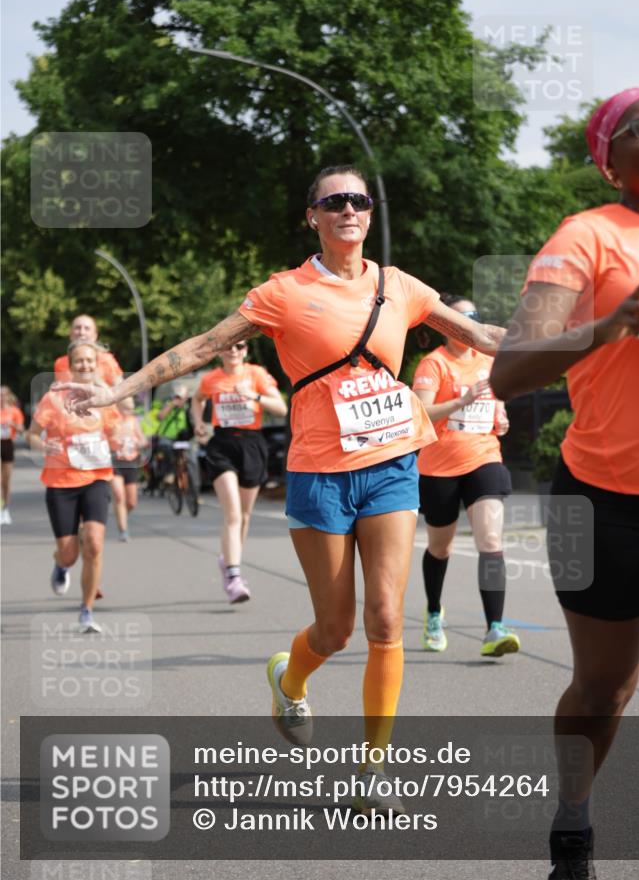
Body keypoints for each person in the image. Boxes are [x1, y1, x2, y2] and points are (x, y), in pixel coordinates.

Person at [54, 165, 504, 811]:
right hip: (320, 470)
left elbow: (482, 337)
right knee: (335, 628)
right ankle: (289, 677)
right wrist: (121, 391)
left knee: (383, 618)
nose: (349, 209)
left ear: (369, 214)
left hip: (392, 463)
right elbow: (204, 346)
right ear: (312, 216)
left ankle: (371, 774)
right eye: (334, 201)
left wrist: (582, 342)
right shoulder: (283, 292)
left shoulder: (399, 286)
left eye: (359, 200)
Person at [490, 88, 639, 879]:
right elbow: (507, 371)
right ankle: (572, 818)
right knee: (603, 688)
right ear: (609, 154)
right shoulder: (585, 235)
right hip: (602, 494)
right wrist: (604, 328)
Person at [412, 295, 519, 657]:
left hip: (483, 457)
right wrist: (462, 400)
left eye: (473, 316)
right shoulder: (433, 365)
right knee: (440, 547)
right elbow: (421, 413)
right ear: (446, 326)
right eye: (460, 318)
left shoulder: (489, 359)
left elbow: (496, 401)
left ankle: (495, 628)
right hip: (439, 466)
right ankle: (432, 612)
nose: (468, 323)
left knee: (490, 541)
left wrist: (500, 416)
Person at [28, 341, 120, 632]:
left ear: (97, 363)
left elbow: (116, 432)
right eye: (79, 361)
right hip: (61, 482)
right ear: (69, 364)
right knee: (70, 553)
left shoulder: (105, 397)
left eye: (90, 361)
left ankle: (87, 610)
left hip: (96, 477)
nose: (85, 366)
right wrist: (45, 444)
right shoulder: (54, 399)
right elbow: (31, 434)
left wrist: (123, 441)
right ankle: (61, 564)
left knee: (93, 543)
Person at [191, 342, 287, 603]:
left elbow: (281, 408)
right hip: (222, 445)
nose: (233, 350)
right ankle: (234, 576)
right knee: (232, 514)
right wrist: (198, 422)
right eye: (227, 347)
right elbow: (197, 399)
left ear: (245, 350)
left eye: (239, 346)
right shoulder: (211, 379)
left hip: (251, 444)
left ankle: (230, 561)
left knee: (244, 516)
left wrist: (252, 396)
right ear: (220, 352)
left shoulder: (256, 374)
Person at [109, 397, 148, 542]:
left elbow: (143, 439)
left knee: (131, 502)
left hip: (131, 462)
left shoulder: (133, 421)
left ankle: (122, 514)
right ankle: (123, 530)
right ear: (118, 407)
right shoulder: (111, 421)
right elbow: (103, 438)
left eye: (131, 408)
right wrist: (114, 441)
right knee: (119, 495)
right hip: (114, 461)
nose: (129, 411)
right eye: (126, 408)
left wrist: (139, 442)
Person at [53, 315, 123, 386]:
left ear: (95, 335)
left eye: (87, 328)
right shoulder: (60, 363)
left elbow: (122, 390)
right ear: (70, 334)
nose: (82, 332)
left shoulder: (107, 360)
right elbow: (60, 392)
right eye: (77, 328)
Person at [153, 384, 193, 483]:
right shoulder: (168, 404)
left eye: (181, 397)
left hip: (183, 437)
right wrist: (172, 405)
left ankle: (194, 490)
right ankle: (169, 472)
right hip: (167, 437)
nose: (179, 399)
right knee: (165, 447)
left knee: (193, 458)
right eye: (177, 397)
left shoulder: (188, 407)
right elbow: (160, 417)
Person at [0, 386, 25, 525]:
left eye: (3, 394)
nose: (1, 397)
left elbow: (22, 430)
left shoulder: (14, 411)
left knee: (6, 481)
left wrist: (13, 424)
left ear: (8, 396)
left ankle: (5, 510)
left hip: (8, 444)